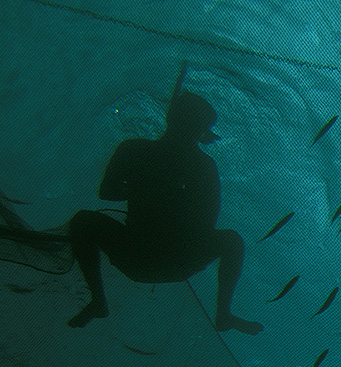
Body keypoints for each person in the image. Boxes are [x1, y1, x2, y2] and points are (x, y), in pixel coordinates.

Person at [66, 90, 262, 334]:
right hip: (152, 256)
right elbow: (106, 192)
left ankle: (98, 301)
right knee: (232, 241)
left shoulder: (137, 150)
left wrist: (151, 192)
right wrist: (149, 189)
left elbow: (108, 192)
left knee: (84, 221)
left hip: (161, 256)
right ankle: (98, 301)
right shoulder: (143, 152)